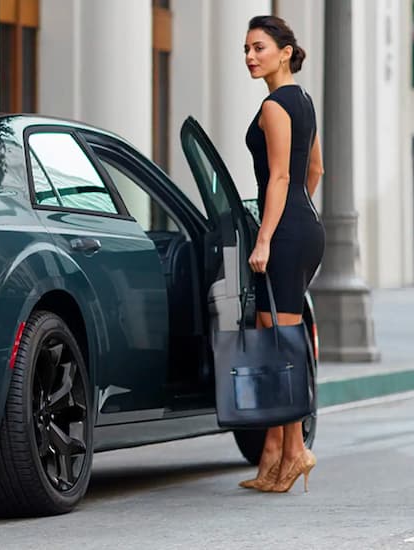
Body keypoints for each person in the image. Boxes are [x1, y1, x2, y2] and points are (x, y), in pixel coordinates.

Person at [239, 15, 325, 493]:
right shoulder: (304, 101)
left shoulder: (275, 105)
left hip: (286, 235)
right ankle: (279, 452)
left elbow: (280, 177)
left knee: (280, 347)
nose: (251, 57)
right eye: (246, 49)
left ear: (285, 52)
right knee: (282, 345)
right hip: (304, 228)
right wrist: (300, 216)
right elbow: (316, 168)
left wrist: (267, 236)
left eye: (259, 48)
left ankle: (294, 451)